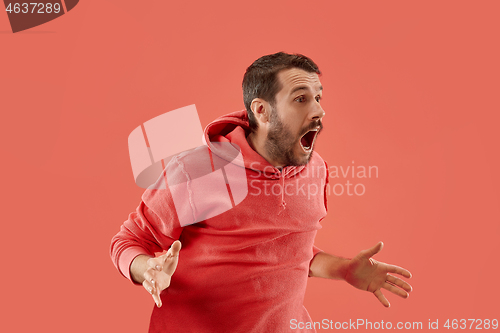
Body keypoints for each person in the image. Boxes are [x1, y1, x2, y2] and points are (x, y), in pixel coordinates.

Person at [110, 52, 412, 333]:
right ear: (262, 111)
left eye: (318, 97)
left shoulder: (315, 169)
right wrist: (146, 269)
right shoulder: (196, 170)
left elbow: (290, 253)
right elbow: (129, 241)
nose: (319, 110)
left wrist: (344, 270)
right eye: (301, 99)